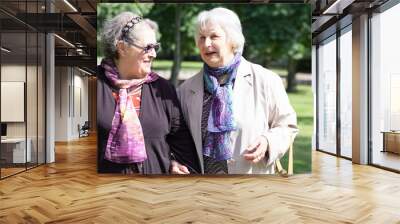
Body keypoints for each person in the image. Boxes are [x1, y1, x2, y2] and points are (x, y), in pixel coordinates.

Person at [178, 7, 298, 174]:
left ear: (232, 40)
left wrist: (268, 141)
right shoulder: (186, 90)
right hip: (203, 192)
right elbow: (178, 138)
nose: (206, 44)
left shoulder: (266, 80)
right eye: (201, 38)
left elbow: (287, 126)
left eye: (214, 36)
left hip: (251, 187)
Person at [97, 12, 200, 174]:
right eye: (147, 48)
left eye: (155, 47)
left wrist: (175, 163)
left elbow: (181, 143)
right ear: (122, 47)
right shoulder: (94, 84)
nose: (154, 54)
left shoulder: (163, 90)